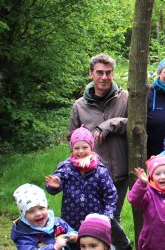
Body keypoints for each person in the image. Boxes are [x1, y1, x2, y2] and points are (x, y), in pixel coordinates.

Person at [67, 53, 131, 249]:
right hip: (90, 175)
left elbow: (136, 124)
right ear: (91, 74)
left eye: (108, 73)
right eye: (99, 73)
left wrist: (110, 124)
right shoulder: (80, 105)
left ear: (113, 74)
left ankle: (120, 246)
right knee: (97, 219)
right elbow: (71, 137)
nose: (104, 77)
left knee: (112, 216)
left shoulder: (125, 98)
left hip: (119, 169)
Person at [45, 126, 129, 249]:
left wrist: (106, 216)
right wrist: (54, 186)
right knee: (73, 246)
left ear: (91, 147)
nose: (80, 151)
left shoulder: (100, 170)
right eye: (76, 148)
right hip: (71, 220)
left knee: (92, 246)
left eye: (85, 147)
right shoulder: (66, 167)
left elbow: (111, 194)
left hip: (95, 223)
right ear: (71, 149)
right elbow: (55, 184)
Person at [11, 183, 78, 250]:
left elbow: (69, 230)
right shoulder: (23, 234)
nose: (38, 214)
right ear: (24, 215)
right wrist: (54, 247)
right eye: (31, 211)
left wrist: (73, 235)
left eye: (41, 208)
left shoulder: (57, 223)